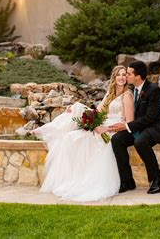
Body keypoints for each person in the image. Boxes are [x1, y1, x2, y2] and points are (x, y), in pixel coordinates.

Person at [31, 65, 134, 202]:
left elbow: (129, 122)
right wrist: (90, 120)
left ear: (126, 78)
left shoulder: (127, 95)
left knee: (83, 136)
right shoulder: (110, 94)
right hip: (101, 127)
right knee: (71, 131)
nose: (121, 77)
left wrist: (107, 129)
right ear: (114, 77)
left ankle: (46, 129)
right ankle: (49, 129)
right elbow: (96, 113)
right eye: (118, 75)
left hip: (113, 130)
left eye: (123, 75)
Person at [109, 60, 160, 194]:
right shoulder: (133, 89)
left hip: (154, 128)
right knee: (116, 139)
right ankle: (127, 181)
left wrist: (126, 126)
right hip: (140, 127)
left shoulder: (154, 90)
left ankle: (156, 179)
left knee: (140, 142)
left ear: (137, 76)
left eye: (128, 74)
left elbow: (150, 118)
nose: (126, 76)